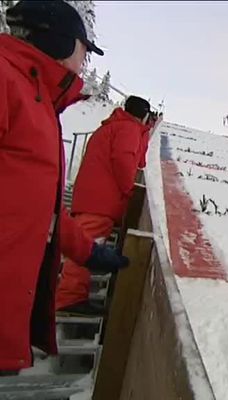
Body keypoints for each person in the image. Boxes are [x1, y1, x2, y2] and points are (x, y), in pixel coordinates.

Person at [0, 0, 129, 372]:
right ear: (58, 42)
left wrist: (86, 251)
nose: (84, 61)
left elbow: (36, 205)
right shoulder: (8, 82)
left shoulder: (39, 101)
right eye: (82, 49)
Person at [56, 96, 152, 315]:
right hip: (101, 201)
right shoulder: (128, 129)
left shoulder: (114, 126)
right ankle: (68, 297)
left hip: (93, 197)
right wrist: (129, 189)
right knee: (86, 246)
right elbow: (125, 160)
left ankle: (70, 294)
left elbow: (140, 160)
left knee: (85, 244)